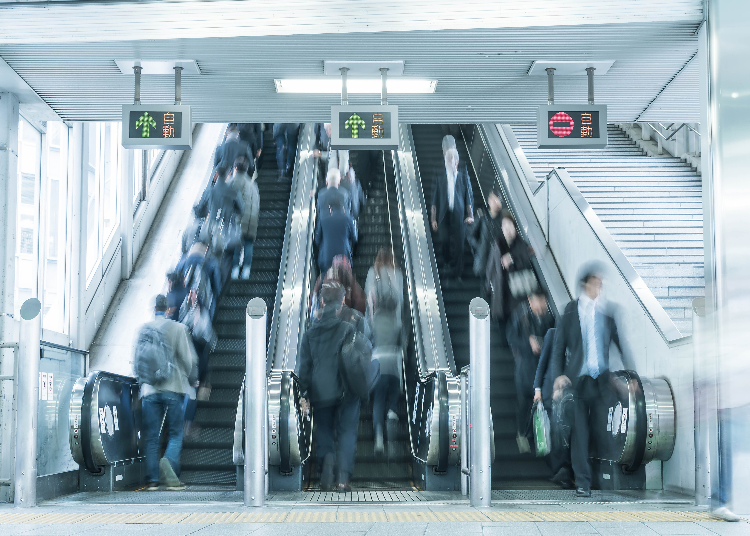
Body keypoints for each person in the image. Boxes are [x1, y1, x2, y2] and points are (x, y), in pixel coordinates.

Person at [550, 262, 634, 497]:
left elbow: (621, 345)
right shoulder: (569, 311)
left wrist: (632, 374)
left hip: (602, 381)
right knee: (580, 434)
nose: (600, 286)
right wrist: (558, 377)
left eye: (601, 282)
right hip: (578, 382)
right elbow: (558, 349)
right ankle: (583, 483)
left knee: (602, 431)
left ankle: (602, 477)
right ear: (585, 284)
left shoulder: (607, 313)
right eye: (596, 281)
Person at [298, 281, 360, 492]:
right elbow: (353, 361)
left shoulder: (309, 333)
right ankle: (342, 479)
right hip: (345, 391)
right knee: (346, 432)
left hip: (319, 391)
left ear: (322, 301)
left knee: (323, 429)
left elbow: (303, 368)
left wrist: (303, 393)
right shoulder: (348, 329)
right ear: (342, 302)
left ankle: (327, 465)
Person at [135, 295, 198, 491]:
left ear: (153, 308)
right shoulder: (178, 328)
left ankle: (152, 480)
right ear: (169, 309)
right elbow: (188, 359)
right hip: (173, 388)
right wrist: (192, 378)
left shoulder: (143, 330)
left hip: (149, 390)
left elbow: (137, 361)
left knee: (152, 437)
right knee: (176, 433)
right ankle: (169, 464)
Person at [365, 247, 405, 456]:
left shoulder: (373, 273)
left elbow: (368, 340)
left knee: (377, 400)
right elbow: (402, 346)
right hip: (394, 366)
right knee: (392, 397)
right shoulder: (397, 273)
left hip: (378, 363)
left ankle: (378, 434)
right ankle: (392, 415)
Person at [506, 290, 554, 454]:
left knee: (541, 403)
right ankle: (522, 434)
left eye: (543, 303)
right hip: (525, 368)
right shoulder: (520, 315)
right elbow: (511, 338)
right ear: (530, 301)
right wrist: (528, 343)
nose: (541, 307)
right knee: (524, 402)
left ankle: (537, 435)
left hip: (542, 369)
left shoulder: (549, 318)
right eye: (538, 303)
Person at [534, 328, 574, 489]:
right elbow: (542, 361)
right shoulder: (552, 333)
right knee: (553, 432)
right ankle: (560, 470)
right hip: (550, 392)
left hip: (569, 394)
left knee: (565, 433)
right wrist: (537, 389)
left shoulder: (580, 334)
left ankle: (564, 471)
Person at [431, 147, 474, 282]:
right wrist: (433, 219)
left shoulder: (463, 177)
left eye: (453, 160)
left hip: (459, 216)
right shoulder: (440, 179)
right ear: (445, 162)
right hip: (444, 215)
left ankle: (458, 272)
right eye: (448, 160)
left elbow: (468, 198)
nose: (451, 163)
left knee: (460, 245)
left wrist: (470, 215)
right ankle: (447, 261)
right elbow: (434, 201)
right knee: (444, 240)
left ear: (457, 161)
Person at [228, 156, 260, 280]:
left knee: (237, 243)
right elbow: (257, 202)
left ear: (235, 168)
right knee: (248, 242)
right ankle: (246, 269)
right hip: (252, 218)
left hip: (238, 218)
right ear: (246, 169)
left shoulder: (231, 182)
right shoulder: (252, 185)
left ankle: (235, 269)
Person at [500, 212, 536, 314]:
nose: (507, 228)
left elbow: (525, 263)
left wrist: (512, 259)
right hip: (503, 297)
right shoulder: (498, 245)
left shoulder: (521, 244)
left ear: (515, 227)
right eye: (504, 225)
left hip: (518, 297)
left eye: (509, 225)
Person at [176, 241, 223, 319]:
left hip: (187, 293)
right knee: (208, 308)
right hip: (204, 294)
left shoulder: (183, 261)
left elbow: (176, 277)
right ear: (205, 249)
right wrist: (218, 294)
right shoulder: (212, 261)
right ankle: (208, 323)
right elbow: (217, 282)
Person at [315, 197, 357, 275]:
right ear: (343, 207)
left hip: (326, 257)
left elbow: (317, 240)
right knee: (343, 280)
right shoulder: (349, 219)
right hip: (343, 257)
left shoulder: (322, 219)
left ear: (330, 208)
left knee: (325, 280)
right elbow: (354, 238)